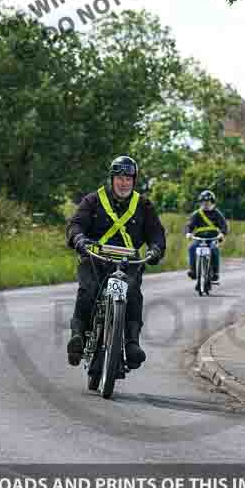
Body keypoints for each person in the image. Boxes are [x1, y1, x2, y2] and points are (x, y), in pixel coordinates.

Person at [65, 156, 166, 369]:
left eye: (129, 178)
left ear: (134, 181)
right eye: (120, 178)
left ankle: (131, 344)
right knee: (88, 291)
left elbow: (157, 233)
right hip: (95, 259)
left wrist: (156, 248)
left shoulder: (144, 205)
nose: (124, 183)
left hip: (128, 263)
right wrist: (79, 239)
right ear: (112, 179)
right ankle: (78, 337)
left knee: (133, 295)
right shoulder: (93, 200)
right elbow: (76, 225)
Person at [184, 190, 228, 281]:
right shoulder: (197, 214)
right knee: (192, 248)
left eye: (208, 202)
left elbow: (224, 225)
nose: (205, 204)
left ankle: (215, 272)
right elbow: (189, 225)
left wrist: (222, 234)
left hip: (213, 238)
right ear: (200, 203)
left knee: (214, 249)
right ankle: (193, 271)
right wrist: (188, 233)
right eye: (203, 202)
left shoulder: (217, 213)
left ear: (212, 202)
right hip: (199, 239)